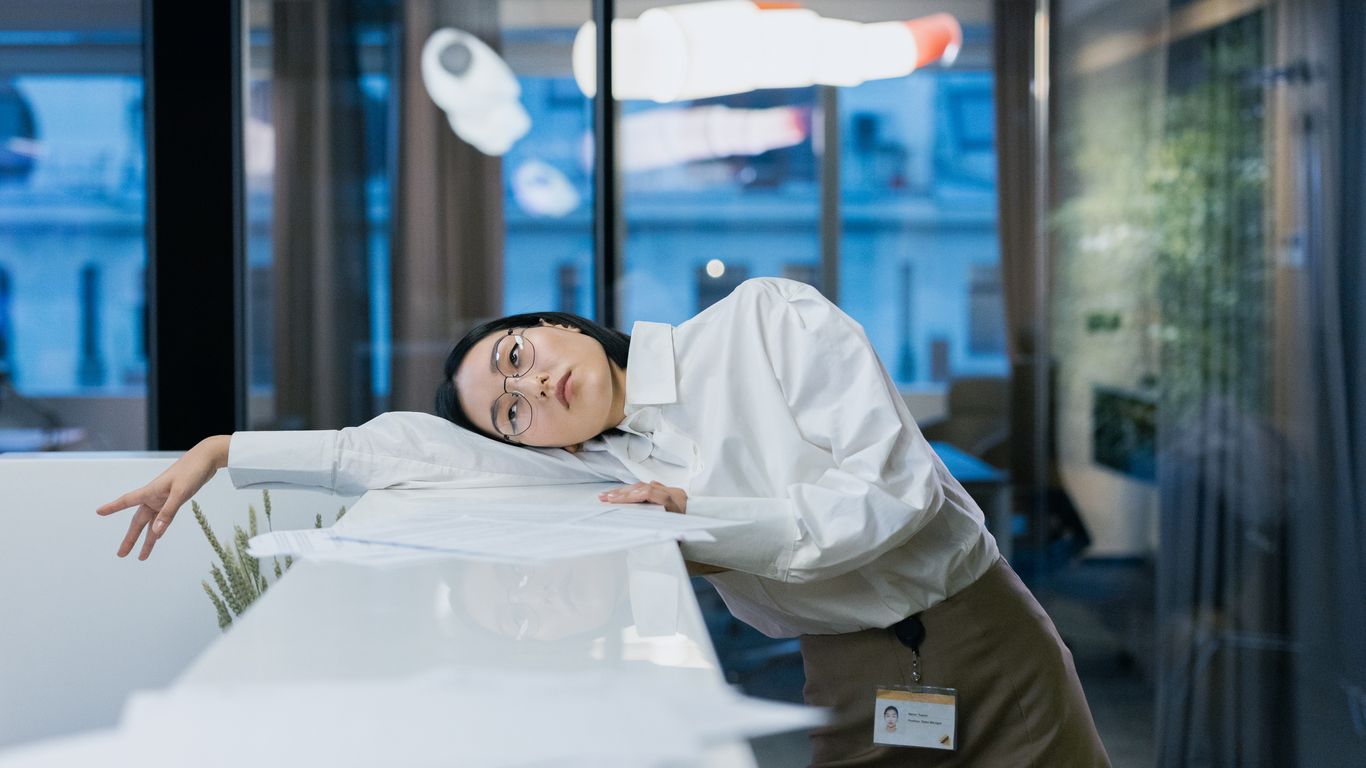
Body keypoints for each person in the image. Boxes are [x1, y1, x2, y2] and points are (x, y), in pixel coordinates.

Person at [98, 277, 1110, 766]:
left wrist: (701, 518)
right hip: (847, 668)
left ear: (553, 325)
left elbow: (898, 496)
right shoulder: (600, 468)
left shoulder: (765, 323)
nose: (531, 387)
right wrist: (229, 451)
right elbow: (406, 448)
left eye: (515, 358)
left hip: (982, 633)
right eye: (511, 413)